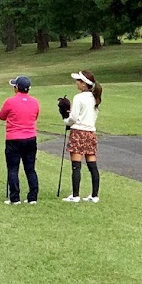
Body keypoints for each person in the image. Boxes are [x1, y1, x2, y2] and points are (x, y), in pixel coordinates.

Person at [0, 75, 40, 204]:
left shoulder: (10, 101)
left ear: (16, 88)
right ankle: (33, 197)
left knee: (13, 169)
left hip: (14, 139)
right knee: (30, 169)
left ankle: (15, 198)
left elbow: (1, 116)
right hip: (30, 138)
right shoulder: (35, 102)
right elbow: (35, 116)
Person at [62, 70, 102, 203]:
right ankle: (94, 195)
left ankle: (75, 195)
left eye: (78, 81)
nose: (76, 83)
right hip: (90, 132)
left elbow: (73, 118)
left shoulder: (78, 98)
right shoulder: (95, 98)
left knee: (76, 165)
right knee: (92, 165)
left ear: (84, 84)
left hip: (78, 132)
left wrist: (65, 120)